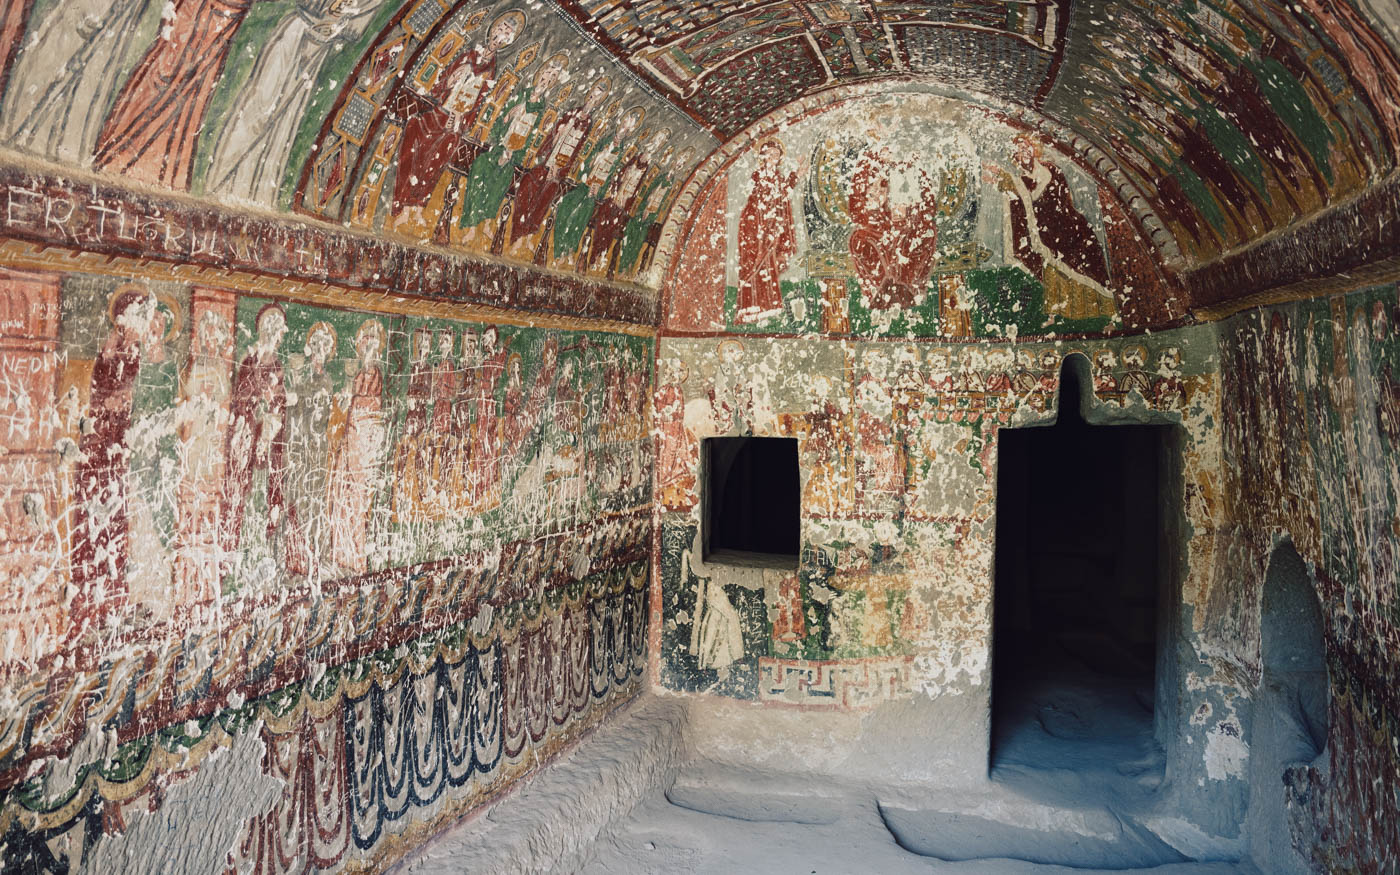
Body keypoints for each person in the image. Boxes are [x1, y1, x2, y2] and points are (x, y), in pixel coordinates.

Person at [68, 286, 158, 640]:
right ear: (123, 318)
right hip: (102, 454)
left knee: (113, 528)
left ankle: (111, 602)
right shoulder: (116, 351)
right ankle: (96, 606)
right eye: (141, 316)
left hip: (113, 454)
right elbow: (110, 404)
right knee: (100, 528)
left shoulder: (128, 349)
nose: (146, 324)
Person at [219, 303, 290, 587]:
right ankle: (235, 559)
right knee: (240, 495)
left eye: (278, 329)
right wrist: (254, 413)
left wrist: (269, 427)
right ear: (261, 329)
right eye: (269, 327)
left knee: (261, 497)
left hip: (266, 443)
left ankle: (257, 555)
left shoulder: (278, 366)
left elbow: (279, 405)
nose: (274, 333)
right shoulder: (249, 360)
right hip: (245, 437)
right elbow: (240, 399)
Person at [736, 139, 803, 323]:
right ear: (763, 156)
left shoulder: (778, 177)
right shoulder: (758, 176)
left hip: (771, 226)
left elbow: (781, 196)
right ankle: (749, 309)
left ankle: (768, 306)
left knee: (768, 265)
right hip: (755, 226)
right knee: (754, 263)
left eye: (776, 154)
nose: (773, 156)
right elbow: (757, 199)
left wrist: (795, 176)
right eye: (770, 153)